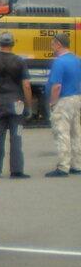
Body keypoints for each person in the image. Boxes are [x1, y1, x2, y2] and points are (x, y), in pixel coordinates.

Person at [0, 31, 32, 178]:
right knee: (16, 136)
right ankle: (17, 170)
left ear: (0, 43)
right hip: (17, 105)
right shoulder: (20, 61)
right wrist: (28, 106)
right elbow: (26, 85)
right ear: (12, 44)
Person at [45, 32, 81, 177]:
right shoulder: (77, 60)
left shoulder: (59, 62)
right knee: (76, 132)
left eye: (53, 44)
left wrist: (52, 103)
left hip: (63, 100)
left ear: (58, 44)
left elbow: (57, 86)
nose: (52, 47)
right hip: (76, 98)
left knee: (62, 132)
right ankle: (77, 164)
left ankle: (63, 166)